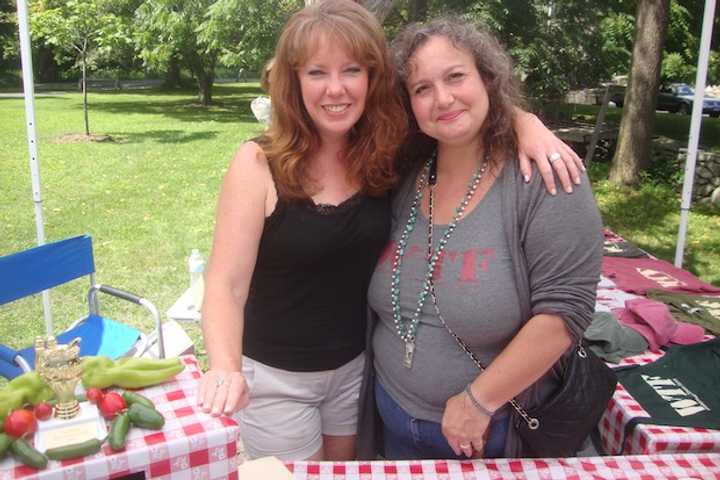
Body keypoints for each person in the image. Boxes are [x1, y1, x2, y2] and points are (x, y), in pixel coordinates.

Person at [197, 0, 586, 462]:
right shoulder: (260, 162)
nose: (336, 89)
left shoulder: (385, 158)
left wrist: (525, 122)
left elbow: (458, 114)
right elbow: (225, 284)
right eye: (317, 72)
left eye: (352, 71)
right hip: (280, 379)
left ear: (373, 80)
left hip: (355, 378)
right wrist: (224, 366)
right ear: (293, 81)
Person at [358, 17, 603, 460]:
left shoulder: (543, 176)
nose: (443, 98)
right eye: (422, 89)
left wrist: (478, 401)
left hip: (488, 435)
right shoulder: (407, 177)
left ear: (487, 80)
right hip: (391, 421)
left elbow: (566, 311)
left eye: (456, 77)